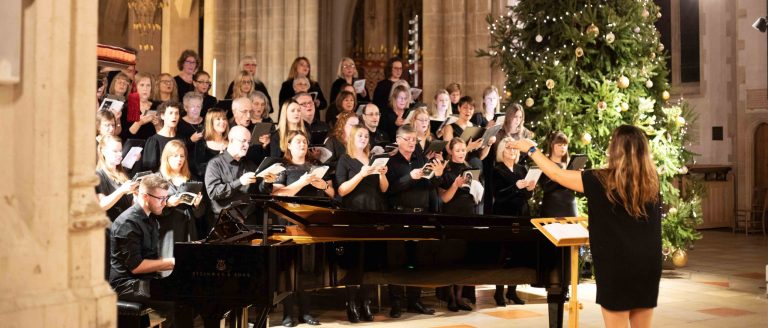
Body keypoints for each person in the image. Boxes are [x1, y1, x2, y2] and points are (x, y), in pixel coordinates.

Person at [511, 125, 662, 328]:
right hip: (647, 264)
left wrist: (531, 149)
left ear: (616, 150)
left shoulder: (600, 180)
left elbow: (556, 174)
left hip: (616, 265)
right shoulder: (651, 182)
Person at [109, 173, 194, 328]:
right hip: (126, 285)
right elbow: (136, 267)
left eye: (165, 198)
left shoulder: (151, 217)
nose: (164, 203)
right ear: (145, 196)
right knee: (176, 302)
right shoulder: (127, 223)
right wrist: (172, 263)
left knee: (187, 294)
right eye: (160, 198)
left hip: (144, 279)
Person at [384, 125, 446, 318]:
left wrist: (437, 175)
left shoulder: (421, 159)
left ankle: (414, 301)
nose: (412, 143)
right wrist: (409, 178)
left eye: (415, 140)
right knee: (397, 260)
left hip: (421, 215)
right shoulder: (391, 162)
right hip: (400, 215)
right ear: (399, 140)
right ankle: (396, 302)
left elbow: (431, 186)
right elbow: (389, 190)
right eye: (408, 139)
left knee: (417, 260)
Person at [271, 130, 331, 327]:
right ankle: (288, 314)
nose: (302, 145)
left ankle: (306, 312)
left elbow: (331, 192)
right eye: (297, 142)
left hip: (309, 221)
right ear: (288, 145)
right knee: (287, 268)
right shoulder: (282, 167)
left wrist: (321, 184)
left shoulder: (316, 166)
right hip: (287, 222)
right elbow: (278, 194)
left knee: (306, 268)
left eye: (304, 142)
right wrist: (301, 182)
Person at [334, 124, 387, 323]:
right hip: (354, 214)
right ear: (352, 138)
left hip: (374, 213)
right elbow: (341, 190)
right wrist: (361, 174)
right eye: (360, 136)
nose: (364, 139)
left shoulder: (373, 159)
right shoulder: (345, 159)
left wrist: (381, 173)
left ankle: (367, 303)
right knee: (354, 262)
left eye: (366, 136)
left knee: (371, 262)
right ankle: (352, 304)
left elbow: (383, 189)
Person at [437, 138, 481, 312]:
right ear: (451, 151)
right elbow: (444, 198)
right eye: (458, 150)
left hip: (468, 214)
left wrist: (477, 189)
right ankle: (451, 297)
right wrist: (455, 185)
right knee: (451, 256)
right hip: (451, 215)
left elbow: (475, 195)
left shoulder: (470, 169)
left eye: (464, 150)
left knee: (464, 257)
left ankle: (460, 295)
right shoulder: (446, 170)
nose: (462, 153)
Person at [491, 137, 535, 306]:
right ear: (502, 151)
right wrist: (515, 187)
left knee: (519, 253)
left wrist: (529, 189)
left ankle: (512, 292)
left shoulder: (521, 169)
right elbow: (498, 195)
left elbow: (527, 196)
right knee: (503, 255)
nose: (512, 151)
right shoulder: (497, 170)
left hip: (521, 214)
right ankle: (498, 292)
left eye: (515, 149)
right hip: (504, 215)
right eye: (509, 149)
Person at [204, 126, 274, 224]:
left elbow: (260, 192)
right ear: (231, 140)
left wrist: (266, 182)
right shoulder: (215, 164)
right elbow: (213, 192)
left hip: (248, 220)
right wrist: (240, 182)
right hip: (224, 222)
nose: (247, 145)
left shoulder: (250, 164)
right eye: (243, 141)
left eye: (249, 142)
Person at [156, 140, 205, 264]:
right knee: (168, 265)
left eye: (182, 156)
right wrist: (168, 204)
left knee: (187, 265)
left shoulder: (191, 178)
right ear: (167, 157)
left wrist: (197, 204)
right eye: (175, 156)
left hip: (188, 226)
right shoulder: (158, 179)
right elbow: (150, 208)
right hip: (167, 229)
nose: (179, 159)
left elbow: (200, 213)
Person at [96, 135, 138, 222]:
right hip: (109, 227)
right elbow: (101, 205)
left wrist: (136, 195)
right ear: (103, 151)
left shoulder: (123, 174)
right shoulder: (98, 175)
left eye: (120, 151)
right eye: (115, 151)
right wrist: (122, 190)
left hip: (126, 226)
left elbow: (131, 206)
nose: (119, 154)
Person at [540, 131, 578, 217]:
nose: (563, 148)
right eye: (559, 145)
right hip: (552, 208)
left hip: (570, 208)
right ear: (552, 145)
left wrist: (578, 175)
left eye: (565, 145)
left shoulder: (569, 164)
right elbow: (546, 187)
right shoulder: (545, 162)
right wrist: (565, 174)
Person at [142, 101, 182, 172]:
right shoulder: (154, 141)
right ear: (162, 116)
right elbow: (149, 170)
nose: (174, 116)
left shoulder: (180, 139)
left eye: (176, 113)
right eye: (170, 113)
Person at [192, 108, 229, 179]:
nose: (222, 122)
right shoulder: (201, 143)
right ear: (210, 122)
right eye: (218, 119)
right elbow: (199, 169)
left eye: (224, 119)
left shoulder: (231, 142)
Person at [124, 72, 161, 141]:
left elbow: (163, 135)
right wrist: (139, 123)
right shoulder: (127, 106)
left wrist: (158, 125)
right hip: (134, 148)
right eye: (142, 85)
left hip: (153, 146)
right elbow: (125, 136)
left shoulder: (158, 106)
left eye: (148, 85)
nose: (145, 89)